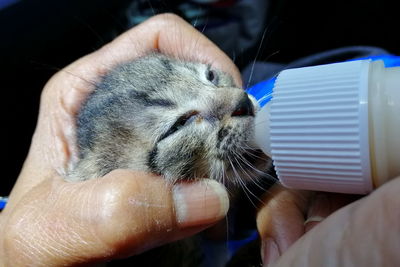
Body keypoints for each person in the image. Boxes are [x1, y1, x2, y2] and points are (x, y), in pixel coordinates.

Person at [0, 13, 399, 267]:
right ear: (112, 185)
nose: (234, 98)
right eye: (176, 126)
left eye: (206, 75)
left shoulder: (258, 97)